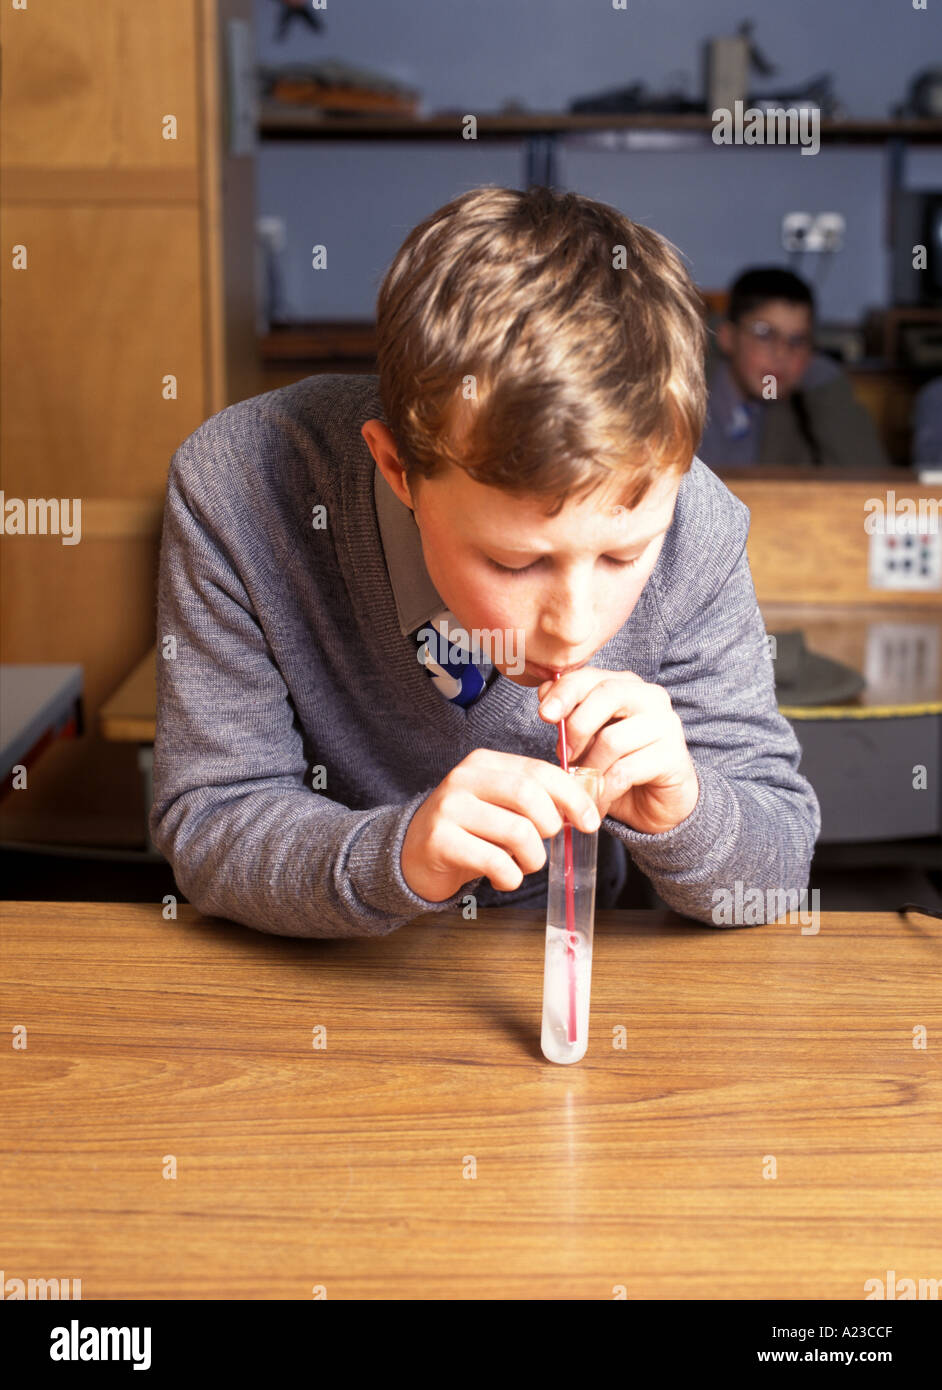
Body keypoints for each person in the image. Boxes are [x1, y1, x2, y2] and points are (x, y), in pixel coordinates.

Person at [149, 187, 820, 937]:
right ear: (398, 468)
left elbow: (779, 860)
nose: (574, 629)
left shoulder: (693, 520)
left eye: (624, 555)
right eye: (513, 562)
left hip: (583, 958)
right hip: (328, 976)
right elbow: (211, 821)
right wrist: (396, 857)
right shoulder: (238, 487)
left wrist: (689, 809)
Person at [698, 267, 891, 472]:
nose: (782, 354)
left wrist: (822, 380)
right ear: (727, 337)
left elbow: (870, 484)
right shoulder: (682, 396)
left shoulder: (804, 413)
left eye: (797, 340)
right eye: (764, 334)